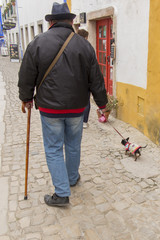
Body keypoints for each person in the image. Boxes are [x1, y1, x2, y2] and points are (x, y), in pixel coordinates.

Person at [18, 2, 108, 207]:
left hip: (50, 109)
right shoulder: (84, 45)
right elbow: (96, 78)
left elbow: (26, 74)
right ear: (71, 21)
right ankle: (71, 178)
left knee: (53, 148)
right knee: (73, 145)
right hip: (77, 107)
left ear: (50, 22)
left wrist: (26, 97)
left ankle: (61, 192)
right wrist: (102, 104)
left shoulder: (38, 42)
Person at [77, 28, 90, 129]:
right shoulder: (87, 48)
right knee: (86, 101)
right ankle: (84, 121)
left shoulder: (71, 46)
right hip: (85, 79)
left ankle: (78, 119)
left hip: (75, 80)